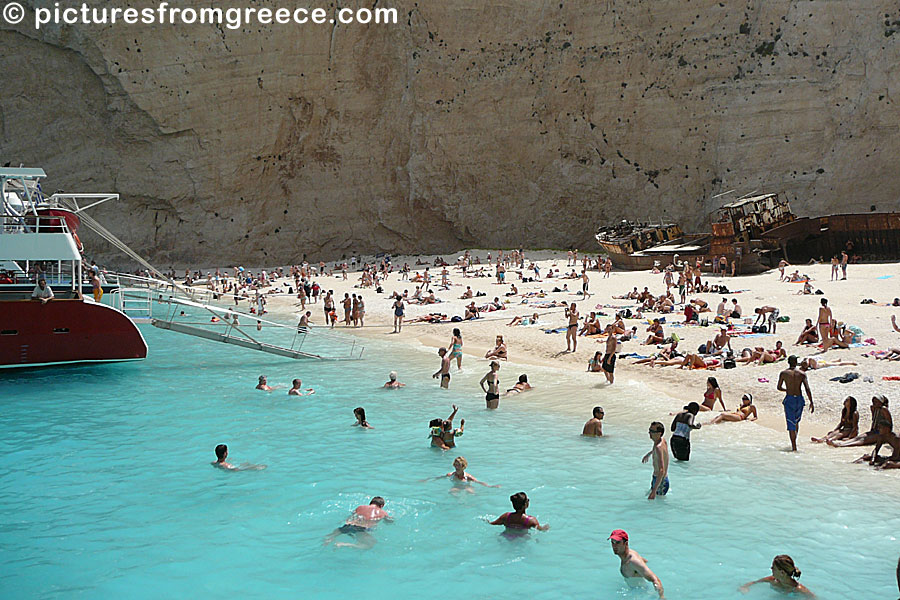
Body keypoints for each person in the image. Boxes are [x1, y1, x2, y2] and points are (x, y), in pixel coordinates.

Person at [608, 530, 665, 598]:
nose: (614, 546)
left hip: (641, 594)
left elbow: (655, 579)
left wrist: (661, 597)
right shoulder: (629, 554)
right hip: (634, 590)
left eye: (618, 542)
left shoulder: (633, 561)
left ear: (625, 543)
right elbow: (644, 561)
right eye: (612, 542)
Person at [777, 355, 815, 451]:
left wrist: (787, 389)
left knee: (790, 423)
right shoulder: (802, 374)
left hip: (789, 399)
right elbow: (807, 388)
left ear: (788, 362)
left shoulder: (784, 373)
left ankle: (794, 447)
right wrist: (811, 401)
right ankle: (795, 442)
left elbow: (779, 387)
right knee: (796, 421)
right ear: (796, 362)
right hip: (799, 399)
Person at [323, 497, 392, 549]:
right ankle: (343, 544)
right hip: (362, 528)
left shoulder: (360, 507)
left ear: (371, 503)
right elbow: (389, 521)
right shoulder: (382, 512)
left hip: (349, 524)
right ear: (381, 506)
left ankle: (328, 540)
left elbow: (352, 515)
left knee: (333, 534)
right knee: (368, 545)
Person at [827, 395, 892, 448]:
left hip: (882, 433)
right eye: (873, 401)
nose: (874, 402)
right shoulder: (873, 408)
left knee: (864, 440)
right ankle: (842, 443)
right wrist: (871, 430)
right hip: (875, 430)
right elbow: (873, 420)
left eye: (876, 401)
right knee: (860, 437)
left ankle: (842, 445)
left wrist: (885, 434)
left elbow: (889, 424)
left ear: (881, 402)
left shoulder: (884, 409)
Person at [739, 555, 814, 596]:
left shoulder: (798, 589)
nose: (771, 568)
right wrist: (744, 587)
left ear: (782, 573)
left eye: (774, 568)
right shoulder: (772, 580)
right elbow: (753, 583)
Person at [426, 456, 499, 494]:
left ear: (463, 467)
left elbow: (478, 482)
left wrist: (490, 486)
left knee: (471, 492)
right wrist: (427, 480)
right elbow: (439, 478)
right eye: (456, 465)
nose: (457, 467)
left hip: (466, 486)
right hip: (456, 487)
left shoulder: (468, 477)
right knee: (452, 492)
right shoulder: (450, 475)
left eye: (459, 465)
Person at [642, 421, 669, 500]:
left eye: (652, 431)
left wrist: (654, 491)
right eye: (649, 430)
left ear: (659, 433)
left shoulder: (658, 447)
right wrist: (649, 453)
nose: (649, 433)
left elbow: (661, 470)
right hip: (658, 480)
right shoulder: (661, 441)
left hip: (661, 483)